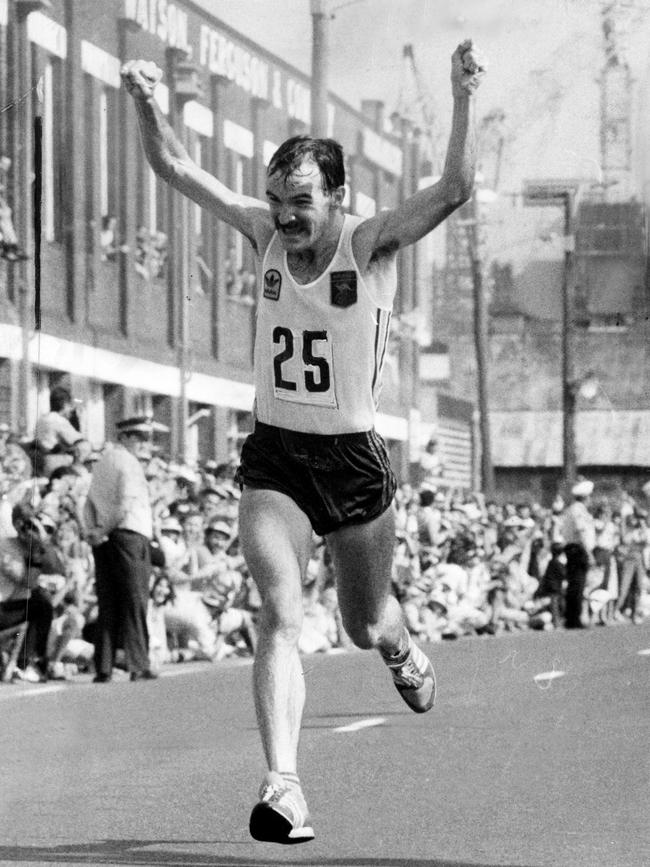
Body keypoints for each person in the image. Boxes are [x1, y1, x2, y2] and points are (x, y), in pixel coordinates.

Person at [122, 37, 485, 844]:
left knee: (361, 624)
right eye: (277, 199)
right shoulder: (263, 237)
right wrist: (147, 104)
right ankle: (284, 785)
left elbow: (457, 187)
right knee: (279, 610)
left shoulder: (373, 243)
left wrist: (461, 96)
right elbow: (180, 171)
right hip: (278, 456)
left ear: (338, 196)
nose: (285, 216)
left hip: (354, 462)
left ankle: (397, 644)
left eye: (302, 201)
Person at [83, 416, 166, 682]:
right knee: (134, 600)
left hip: (106, 537)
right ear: (125, 437)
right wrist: (104, 529)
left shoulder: (104, 461)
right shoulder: (128, 463)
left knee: (109, 602)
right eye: (139, 437)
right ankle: (137, 663)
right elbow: (125, 504)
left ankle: (104, 666)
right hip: (129, 536)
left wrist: (94, 531)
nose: (144, 443)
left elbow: (88, 503)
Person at [562, 479, 596, 629]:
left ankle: (573, 617)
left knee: (576, 584)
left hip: (576, 548)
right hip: (578, 549)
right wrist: (589, 553)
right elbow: (581, 532)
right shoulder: (578, 510)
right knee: (577, 584)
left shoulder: (574, 509)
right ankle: (573, 618)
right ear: (586, 497)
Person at [33, 386, 83, 477]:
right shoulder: (59, 420)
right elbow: (78, 441)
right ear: (65, 404)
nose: (70, 409)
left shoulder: (42, 419)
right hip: (57, 461)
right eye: (69, 405)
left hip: (41, 461)